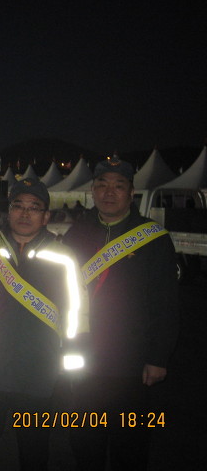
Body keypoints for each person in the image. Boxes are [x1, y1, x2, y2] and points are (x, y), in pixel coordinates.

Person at [0, 177, 88, 470]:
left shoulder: (63, 257)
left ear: (46, 216)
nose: (25, 213)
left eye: (34, 207)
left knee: (34, 450)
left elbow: (77, 311)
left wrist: (69, 359)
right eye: (18, 206)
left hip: (38, 374)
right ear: (8, 212)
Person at [63, 157, 178, 471]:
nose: (109, 192)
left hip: (132, 365)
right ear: (92, 191)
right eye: (102, 184)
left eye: (118, 185)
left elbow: (166, 302)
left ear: (131, 193)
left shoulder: (153, 238)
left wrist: (158, 357)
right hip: (84, 360)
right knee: (85, 443)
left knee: (130, 446)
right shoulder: (76, 234)